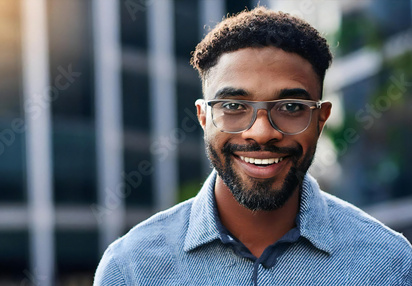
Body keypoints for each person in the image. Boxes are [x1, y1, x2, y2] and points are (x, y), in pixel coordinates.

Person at [94, 6, 412, 285]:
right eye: (233, 106)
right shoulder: (130, 268)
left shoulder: (390, 265)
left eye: (289, 107)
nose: (261, 133)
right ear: (203, 118)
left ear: (321, 119)